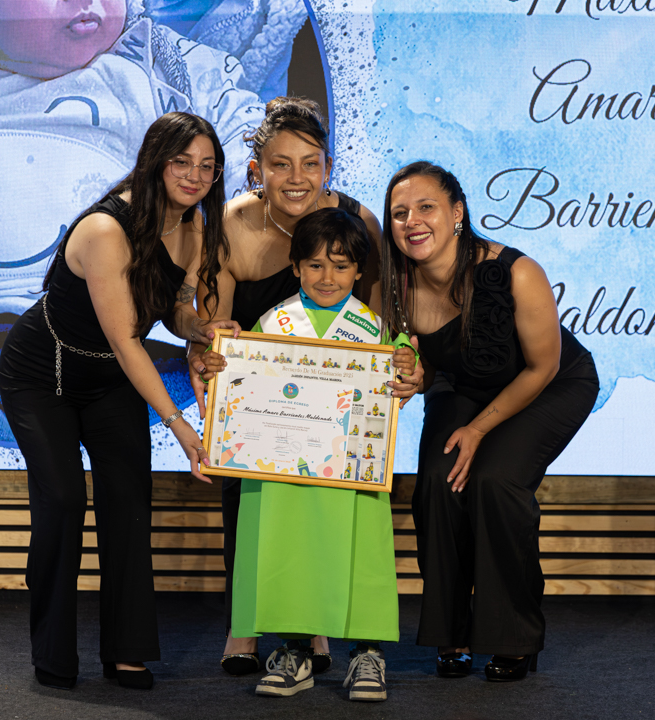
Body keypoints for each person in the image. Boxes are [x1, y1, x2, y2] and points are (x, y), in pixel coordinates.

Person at [0, 0, 265, 440]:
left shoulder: (157, 68)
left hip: (144, 342)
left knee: (215, 405)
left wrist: (255, 207)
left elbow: (242, 131)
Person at [0, 113, 233, 691]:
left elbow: (171, 307)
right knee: (62, 499)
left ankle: (127, 652)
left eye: (207, 166)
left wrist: (198, 329)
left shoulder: (195, 226)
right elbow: (127, 338)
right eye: (182, 162)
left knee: (128, 502)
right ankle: (52, 651)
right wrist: (178, 423)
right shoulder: (106, 229)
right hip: (43, 373)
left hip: (108, 378)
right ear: (155, 162)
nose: (195, 176)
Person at [188, 96, 421, 675]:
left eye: (310, 163)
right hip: (264, 365)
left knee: (331, 499)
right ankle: (246, 626)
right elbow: (212, 326)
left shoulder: (358, 223)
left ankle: (314, 629)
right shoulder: (230, 225)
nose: (297, 177)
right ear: (256, 170)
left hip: (338, 366)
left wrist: (402, 367)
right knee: (251, 491)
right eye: (281, 164)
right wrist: (211, 368)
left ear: (328, 166)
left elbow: (381, 322)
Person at [378, 162, 600, 682]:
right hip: (462, 385)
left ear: (457, 212)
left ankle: (513, 636)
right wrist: (415, 376)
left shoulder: (516, 272)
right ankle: (451, 633)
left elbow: (542, 367)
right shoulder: (395, 284)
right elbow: (424, 363)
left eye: (426, 207)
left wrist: (478, 430)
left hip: (550, 382)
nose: (412, 221)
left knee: (495, 483)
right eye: (400, 213)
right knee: (438, 484)